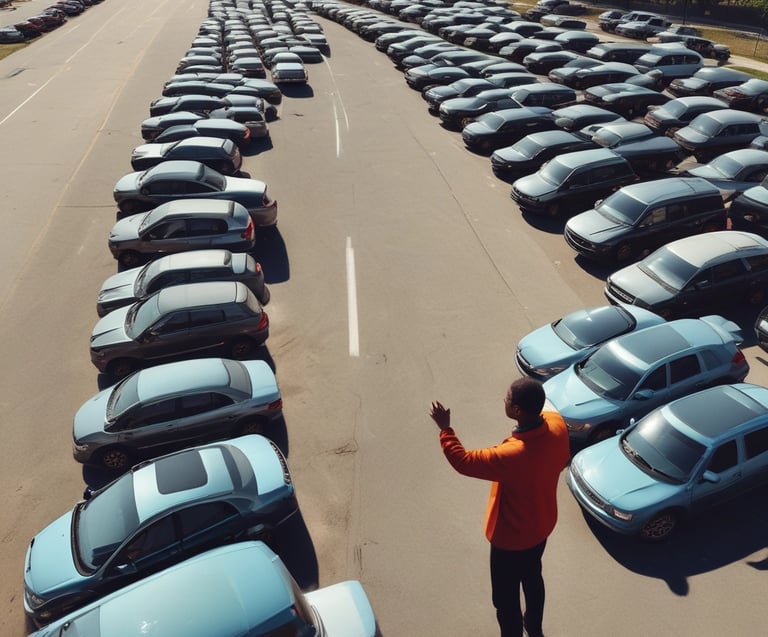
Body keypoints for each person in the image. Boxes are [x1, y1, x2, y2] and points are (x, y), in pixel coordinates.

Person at [429, 377, 570, 637]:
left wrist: (445, 428)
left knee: (505, 602)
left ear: (517, 411)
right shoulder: (557, 427)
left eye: (507, 398)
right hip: (541, 528)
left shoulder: (514, 455)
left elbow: (463, 461)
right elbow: (551, 410)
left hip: (510, 542)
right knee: (532, 578)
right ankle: (534, 627)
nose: (503, 400)